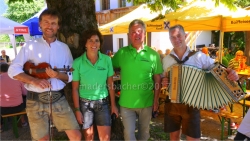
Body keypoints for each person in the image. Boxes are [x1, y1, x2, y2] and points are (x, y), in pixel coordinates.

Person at [7, 9, 81, 141]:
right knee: (42, 139)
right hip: (35, 100)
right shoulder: (29, 45)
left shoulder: (64, 48)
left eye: (53, 23)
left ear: (58, 26)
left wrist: (58, 75)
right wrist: (33, 81)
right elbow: (13, 70)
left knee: (76, 136)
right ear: (40, 24)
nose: (50, 26)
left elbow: (70, 75)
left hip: (59, 99)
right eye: (46, 22)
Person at [162, 24, 239, 140]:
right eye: (172, 37)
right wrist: (164, 82)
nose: (176, 39)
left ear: (185, 35)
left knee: (193, 138)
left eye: (179, 35)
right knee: (173, 138)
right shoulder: (166, 60)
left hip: (192, 105)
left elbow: (217, 68)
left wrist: (231, 72)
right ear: (169, 39)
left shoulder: (198, 56)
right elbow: (164, 79)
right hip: (172, 104)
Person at [112, 19, 163, 140]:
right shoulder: (121, 53)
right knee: (129, 135)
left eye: (140, 31)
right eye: (133, 32)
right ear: (129, 35)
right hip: (126, 103)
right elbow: (109, 69)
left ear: (144, 34)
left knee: (144, 135)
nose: (137, 34)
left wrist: (156, 101)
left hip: (146, 103)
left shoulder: (153, 55)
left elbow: (157, 79)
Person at [72, 29, 119, 141]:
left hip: (103, 103)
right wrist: (77, 110)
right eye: (90, 40)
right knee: (88, 137)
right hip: (85, 104)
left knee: (105, 138)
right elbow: (74, 88)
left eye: (97, 41)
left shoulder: (107, 60)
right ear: (85, 44)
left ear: (100, 44)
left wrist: (113, 105)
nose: (94, 44)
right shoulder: (77, 62)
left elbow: (111, 85)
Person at [0, 63, 28, 132]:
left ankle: (0, 127)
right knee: (23, 99)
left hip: (3, 109)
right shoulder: (17, 78)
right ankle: (23, 121)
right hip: (18, 107)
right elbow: (25, 93)